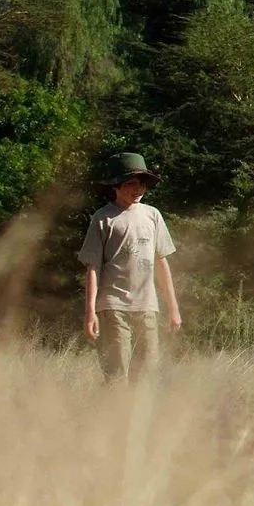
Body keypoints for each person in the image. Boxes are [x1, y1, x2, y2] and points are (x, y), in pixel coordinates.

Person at [78, 152, 182, 382]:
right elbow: (92, 268)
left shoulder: (152, 215)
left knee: (147, 375)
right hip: (113, 306)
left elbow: (161, 262)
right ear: (116, 185)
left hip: (147, 306)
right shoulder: (103, 218)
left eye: (142, 184)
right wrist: (90, 313)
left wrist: (173, 308)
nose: (138, 189)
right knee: (116, 375)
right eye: (131, 183)